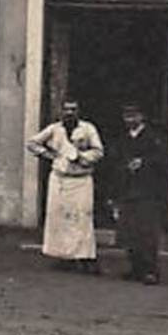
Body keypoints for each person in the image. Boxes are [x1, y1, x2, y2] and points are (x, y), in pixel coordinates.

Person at [25, 98, 104, 272]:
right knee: (59, 217)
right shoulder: (54, 129)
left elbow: (99, 151)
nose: (70, 113)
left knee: (81, 217)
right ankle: (62, 256)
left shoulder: (88, 128)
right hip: (60, 179)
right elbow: (32, 143)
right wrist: (48, 154)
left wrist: (81, 157)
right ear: (61, 111)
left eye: (73, 109)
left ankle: (83, 256)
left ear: (78, 111)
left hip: (81, 179)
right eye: (66, 109)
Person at [115, 102, 168, 285]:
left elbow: (165, 159)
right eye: (126, 116)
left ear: (141, 117)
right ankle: (135, 268)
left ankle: (150, 270)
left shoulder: (154, 137)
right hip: (128, 190)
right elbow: (116, 160)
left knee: (147, 232)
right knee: (129, 232)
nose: (130, 120)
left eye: (133, 116)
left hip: (148, 190)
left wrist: (144, 162)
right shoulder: (122, 138)